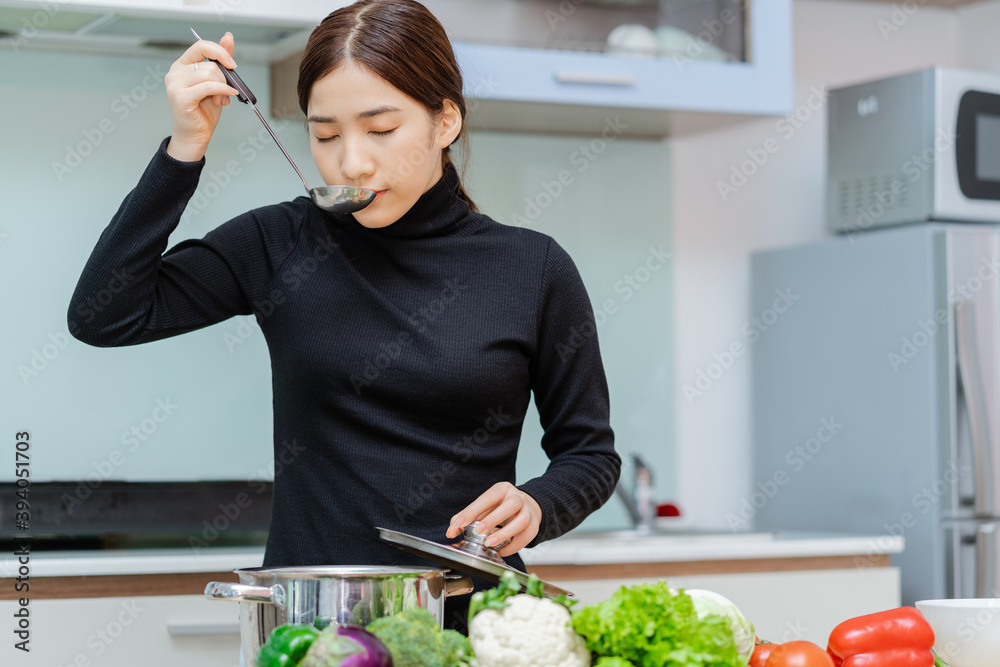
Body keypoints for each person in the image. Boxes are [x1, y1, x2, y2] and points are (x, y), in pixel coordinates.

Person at [68, 0, 620, 637]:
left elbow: (589, 454)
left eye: (380, 129)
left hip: (472, 623)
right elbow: (104, 315)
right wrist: (184, 148)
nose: (351, 162)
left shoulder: (534, 267)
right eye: (325, 135)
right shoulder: (279, 243)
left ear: (446, 121)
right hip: (311, 621)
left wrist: (536, 505)